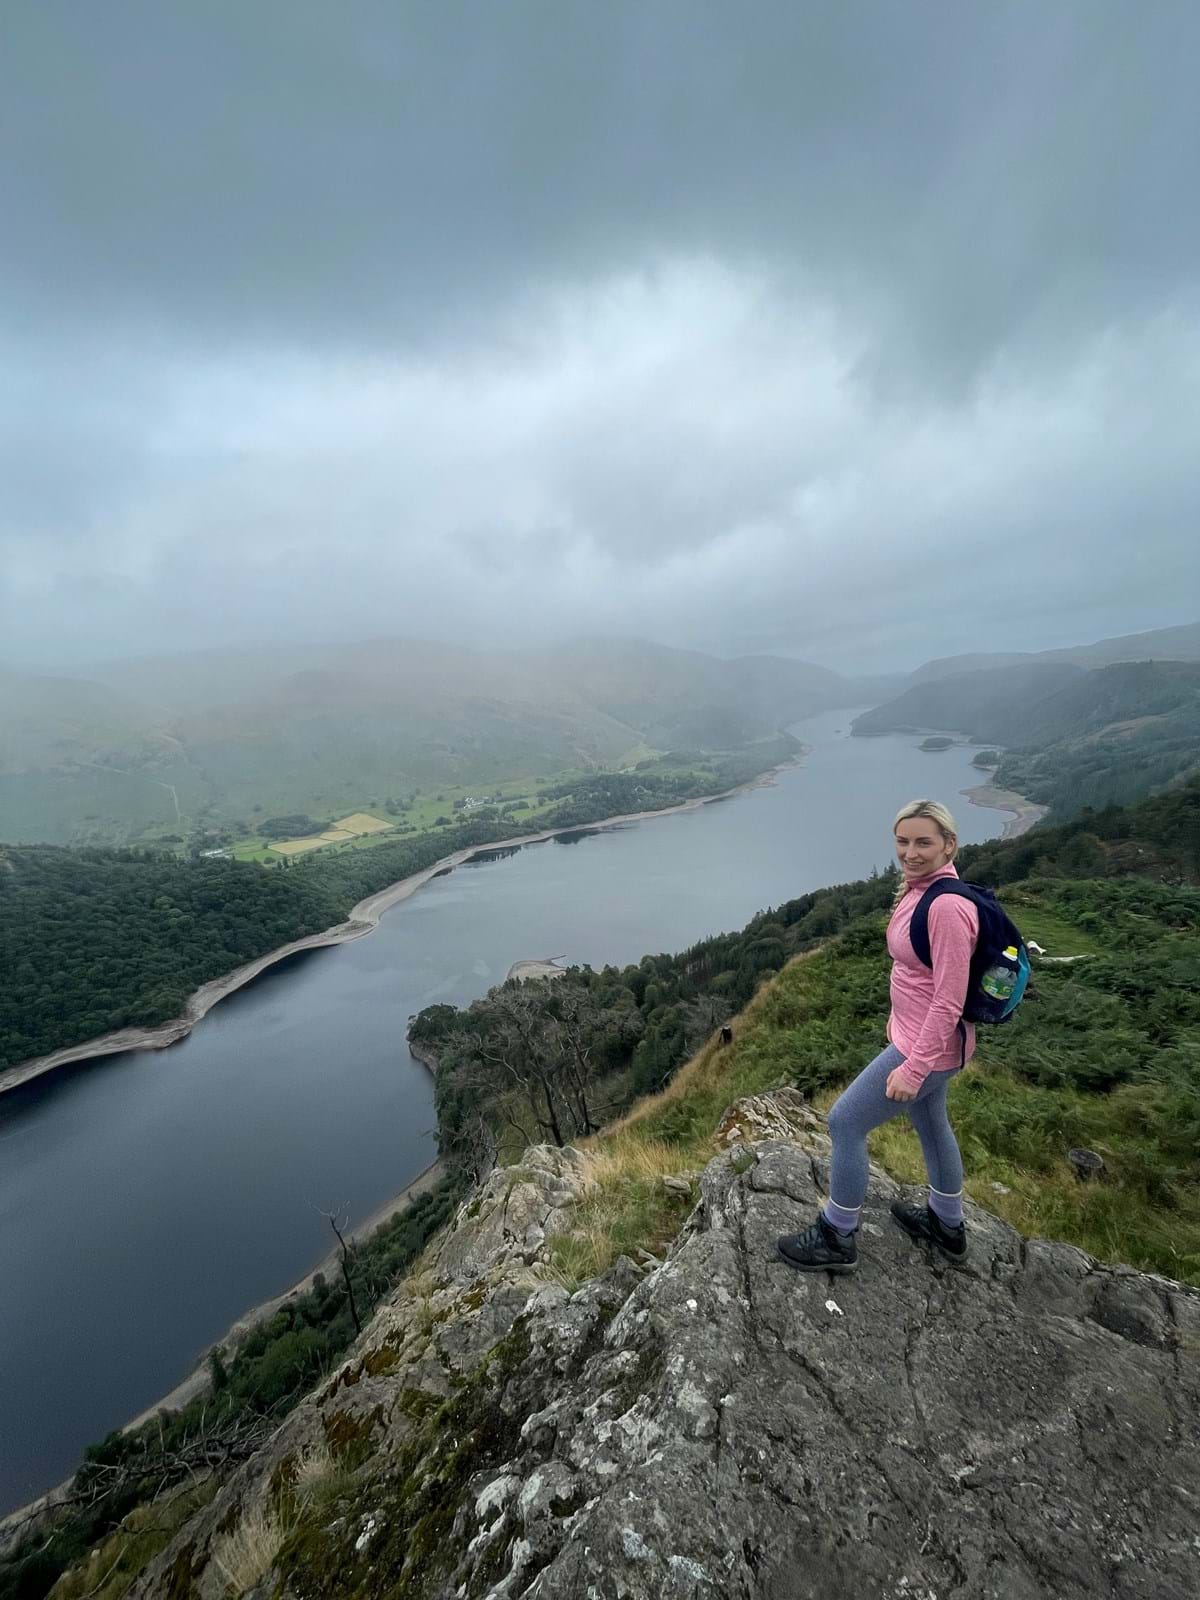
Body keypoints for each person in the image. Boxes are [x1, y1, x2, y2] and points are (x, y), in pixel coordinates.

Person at [777, 799, 977, 1274]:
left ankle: (837, 1235)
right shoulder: (920, 889)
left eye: (923, 842)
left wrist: (913, 1066)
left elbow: (949, 999)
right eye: (903, 841)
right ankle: (947, 1225)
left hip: (924, 1049)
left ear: (949, 845)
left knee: (844, 1123)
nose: (910, 851)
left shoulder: (947, 906)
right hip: (927, 1045)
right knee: (931, 1123)